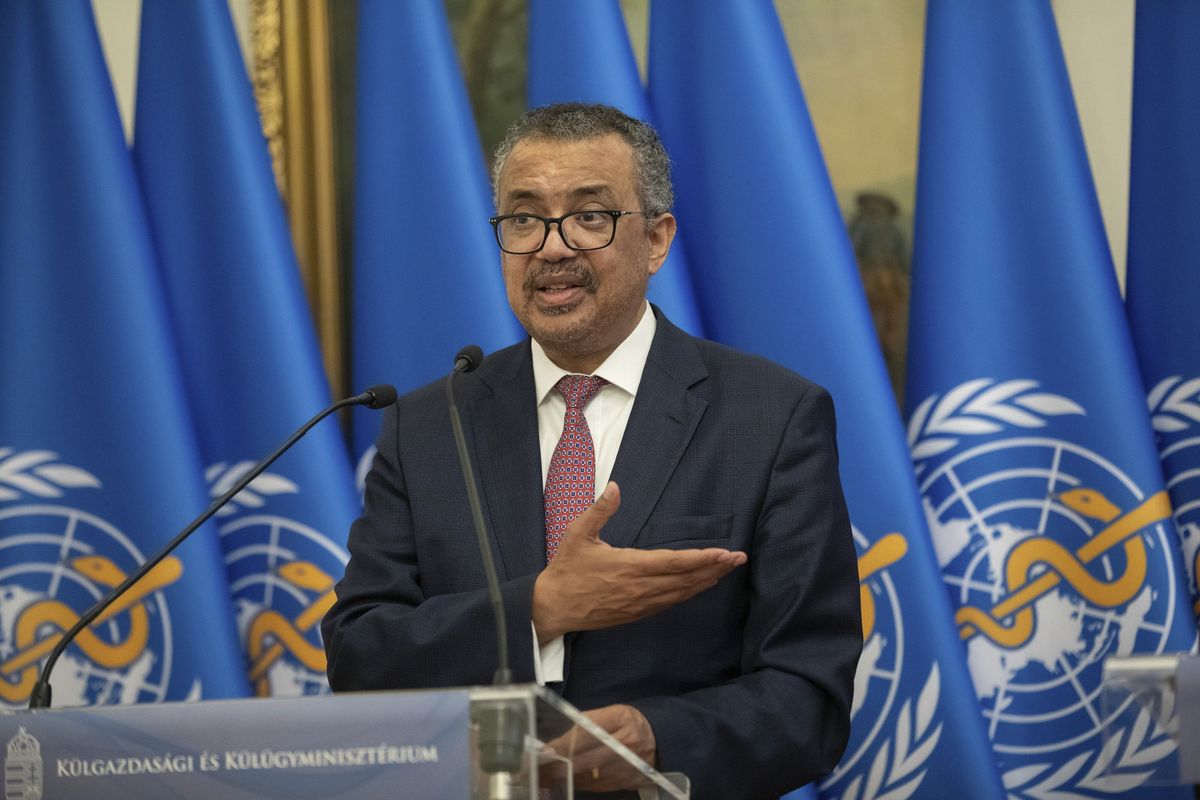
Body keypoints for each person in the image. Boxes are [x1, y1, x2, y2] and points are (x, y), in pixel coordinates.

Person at [322, 103, 861, 799]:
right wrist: (538, 606)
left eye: (589, 216)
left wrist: (655, 735)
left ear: (657, 240)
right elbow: (359, 654)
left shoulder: (772, 416)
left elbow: (809, 697)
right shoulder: (432, 423)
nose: (551, 247)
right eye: (523, 218)